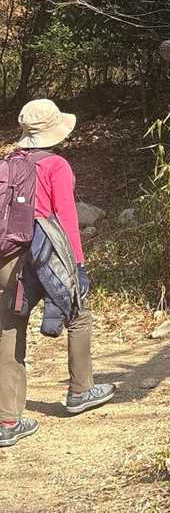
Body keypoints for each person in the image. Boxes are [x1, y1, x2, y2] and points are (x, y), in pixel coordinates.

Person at [0, 99, 116, 448]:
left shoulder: (7, 164)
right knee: (78, 312)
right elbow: (66, 218)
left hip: (9, 258)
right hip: (46, 253)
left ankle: (7, 421)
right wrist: (77, 266)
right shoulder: (56, 165)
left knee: (10, 328)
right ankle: (80, 390)